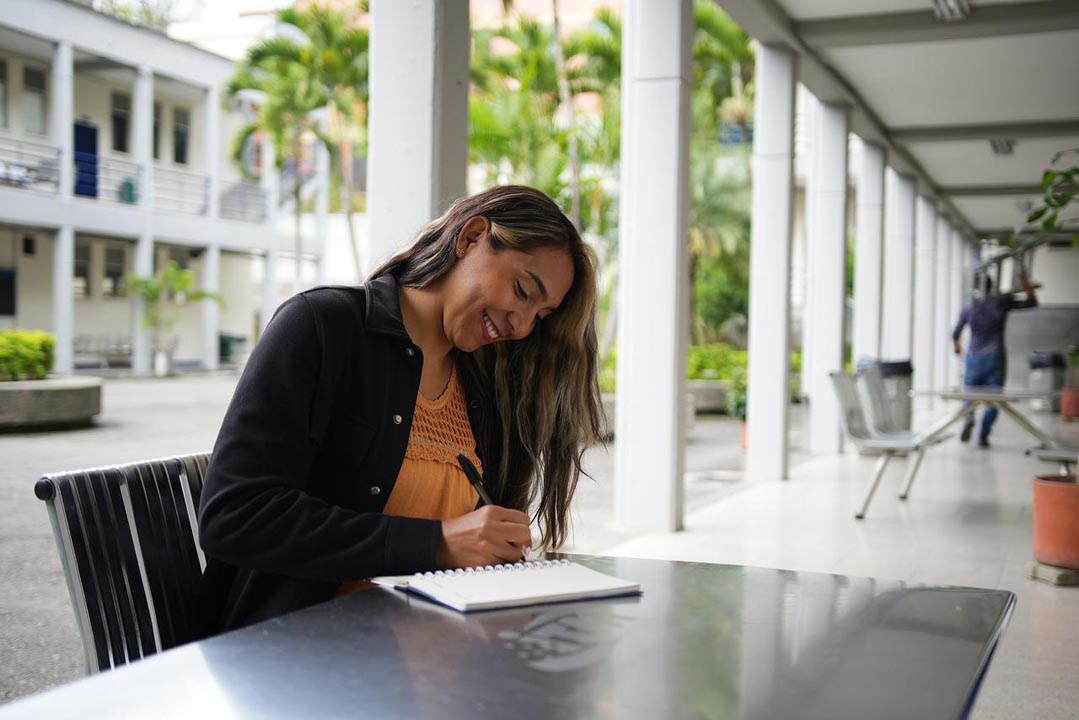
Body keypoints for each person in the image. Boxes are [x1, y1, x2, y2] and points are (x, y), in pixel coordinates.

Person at [195, 185, 605, 636]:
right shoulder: (322, 328)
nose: (522, 325)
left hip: (439, 656)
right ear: (471, 237)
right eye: (524, 291)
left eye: (541, 317)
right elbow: (234, 515)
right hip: (305, 658)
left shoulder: (488, 388)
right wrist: (437, 544)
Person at [951, 271, 1038, 447]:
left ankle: (968, 417)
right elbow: (1031, 302)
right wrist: (1025, 284)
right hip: (994, 356)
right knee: (994, 399)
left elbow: (956, 334)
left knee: (969, 394)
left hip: (974, 357)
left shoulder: (969, 308)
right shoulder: (1000, 303)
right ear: (991, 287)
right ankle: (983, 434)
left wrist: (957, 346)